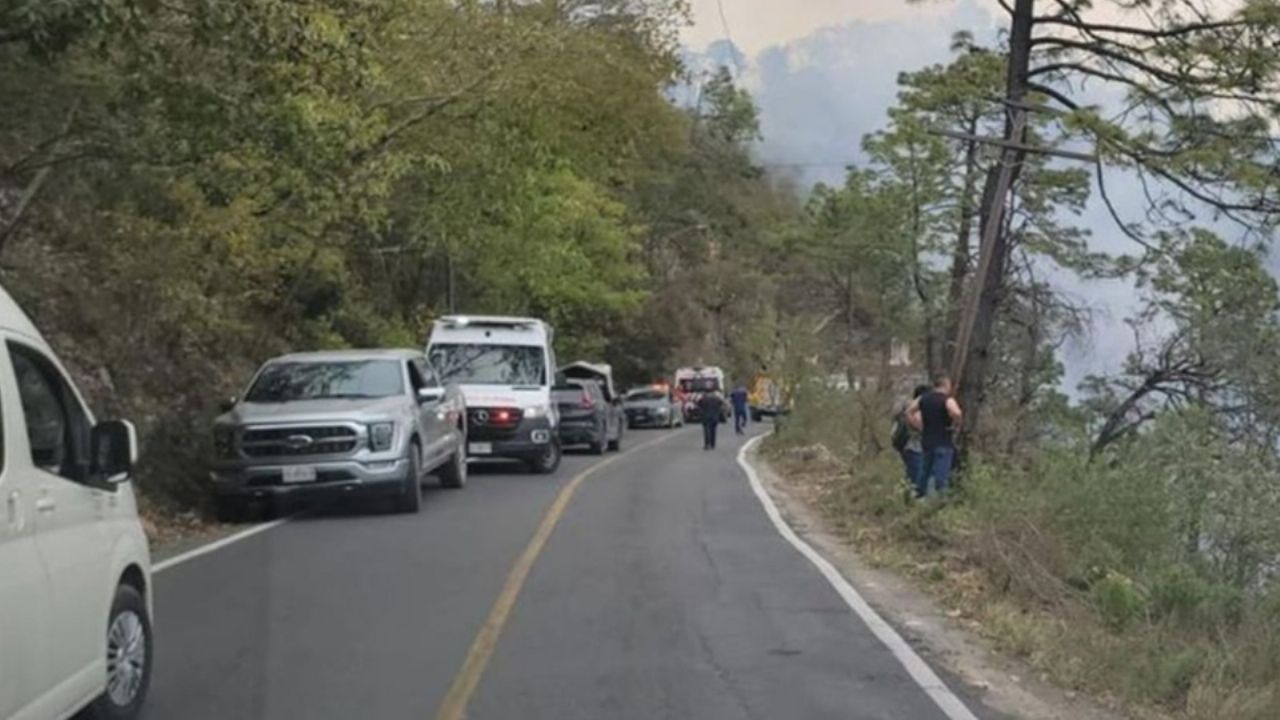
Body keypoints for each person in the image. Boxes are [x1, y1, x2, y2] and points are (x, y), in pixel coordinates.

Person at [907, 374, 963, 498]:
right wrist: (955, 425)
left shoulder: (923, 399)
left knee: (924, 472)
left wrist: (919, 426)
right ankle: (940, 499)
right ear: (946, 384)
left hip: (927, 442)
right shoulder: (947, 400)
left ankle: (919, 497)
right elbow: (957, 413)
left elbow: (909, 411)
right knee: (941, 475)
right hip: (943, 442)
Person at [892, 385, 931, 491]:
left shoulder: (905, 408)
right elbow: (920, 426)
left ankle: (907, 495)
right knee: (916, 478)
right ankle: (912, 498)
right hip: (913, 446)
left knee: (911, 475)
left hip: (906, 446)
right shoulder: (915, 411)